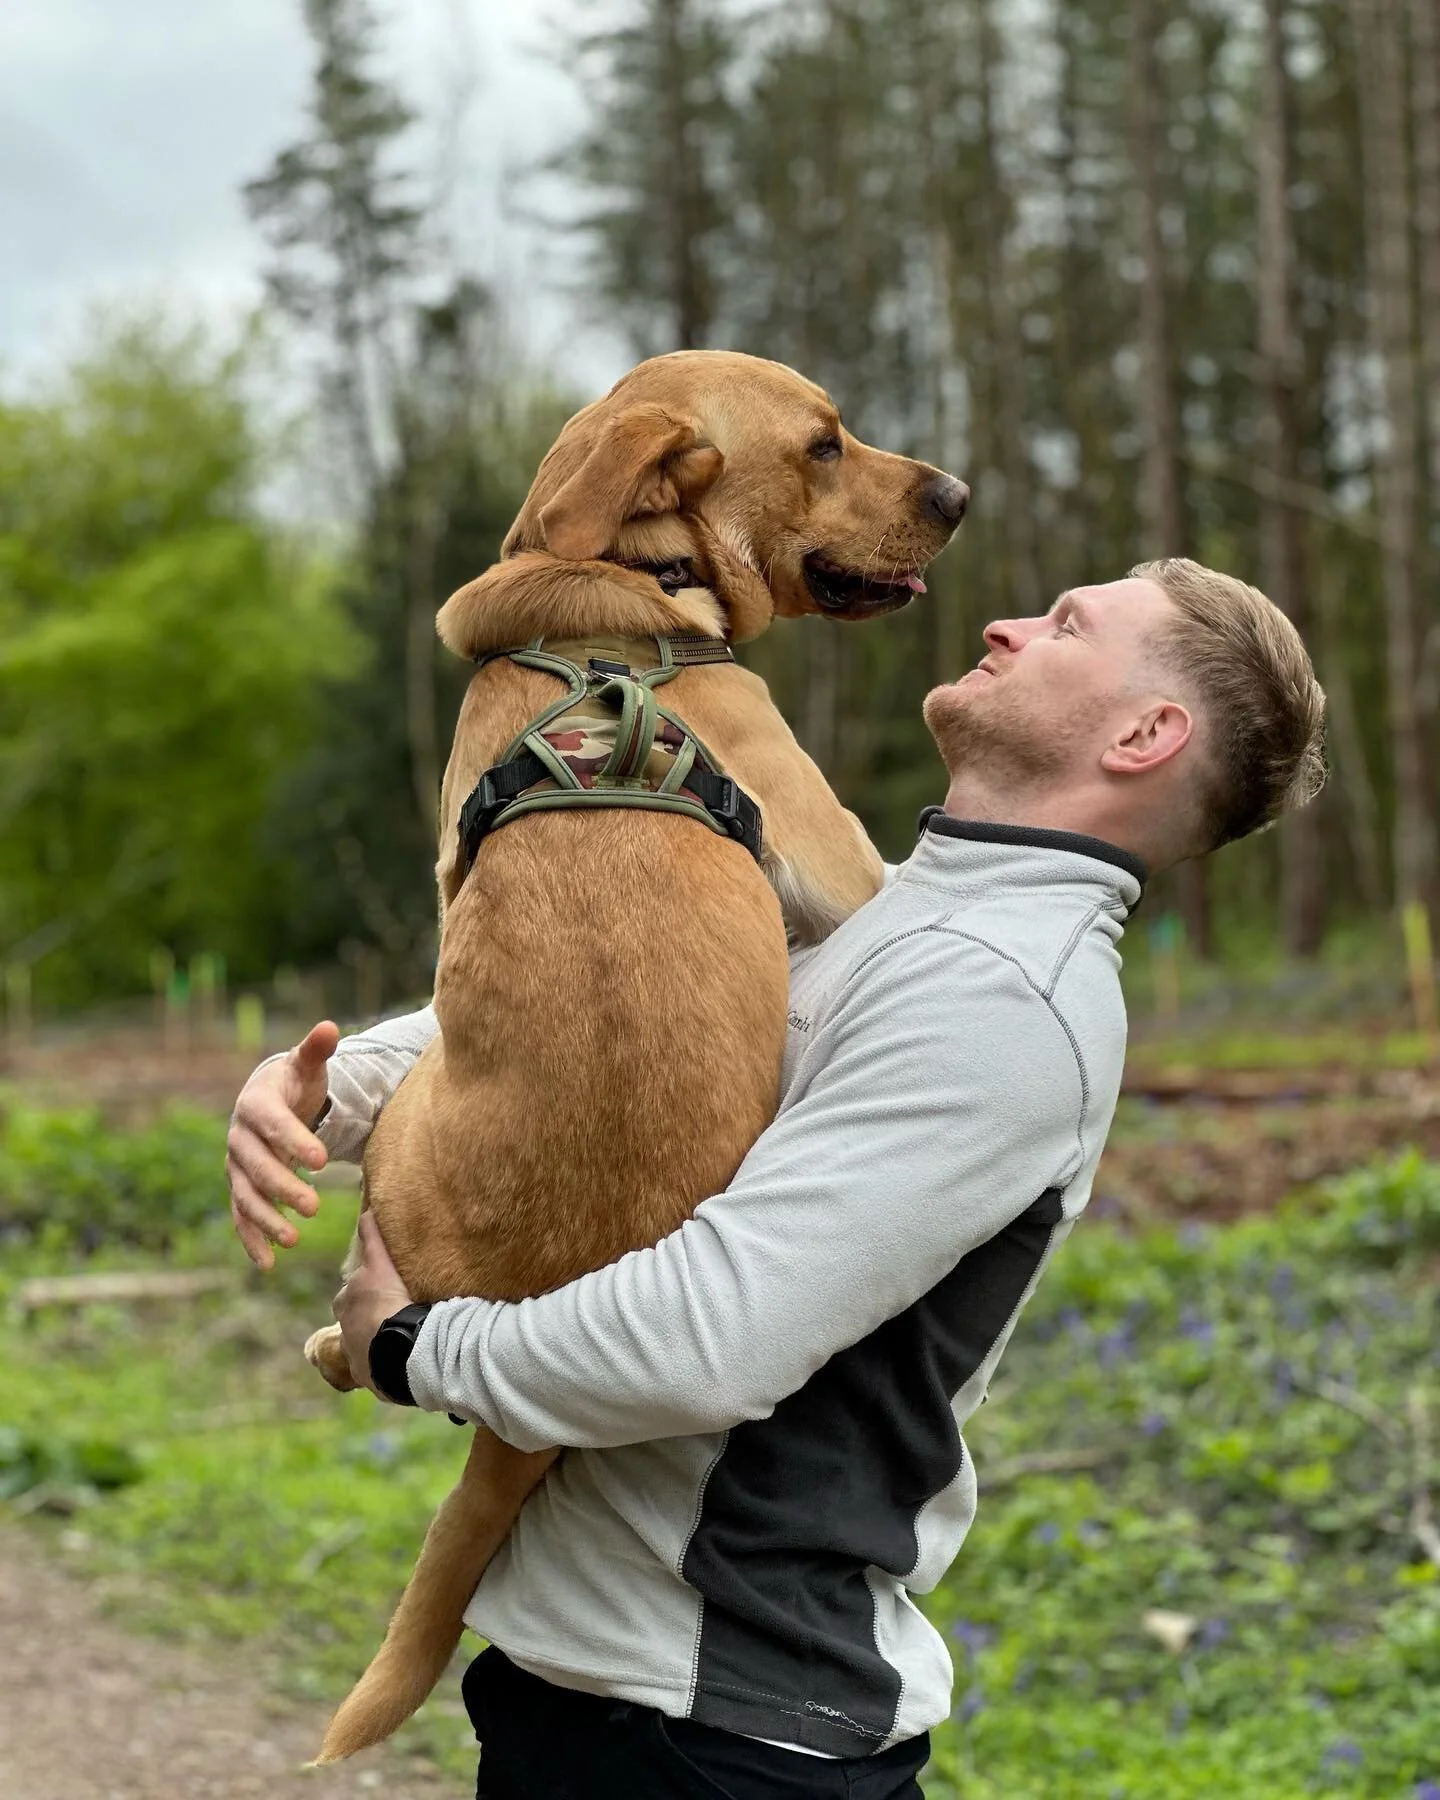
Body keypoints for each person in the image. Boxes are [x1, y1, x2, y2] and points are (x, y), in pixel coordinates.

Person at [228, 558, 1325, 1799]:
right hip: (610, 1705)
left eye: (1068, 625)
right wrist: (331, 1086)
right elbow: (615, 1029)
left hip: (719, 1739)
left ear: (1145, 733)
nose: (1007, 623)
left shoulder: (1002, 998)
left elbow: (713, 1335)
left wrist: (417, 1349)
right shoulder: (892, 916)